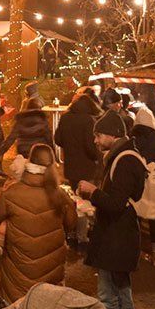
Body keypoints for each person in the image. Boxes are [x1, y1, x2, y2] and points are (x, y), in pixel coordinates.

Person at [75, 110, 146, 309]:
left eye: (99, 134)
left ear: (113, 135)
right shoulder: (118, 157)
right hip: (113, 238)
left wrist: (93, 193)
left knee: (118, 296)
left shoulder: (125, 160)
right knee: (110, 294)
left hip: (119, 239)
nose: (95, 140)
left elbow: (116, 204)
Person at [0, 144, 73, 301]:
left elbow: (0, 214)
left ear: (29, 163)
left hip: (17, 271)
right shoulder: (60, 196)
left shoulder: (11, 193)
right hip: (51, 270)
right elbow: (71, 223)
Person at [55, 91, 102, 247]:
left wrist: (70, 146)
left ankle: (72, 231)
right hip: (87, 168)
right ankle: (83, 235)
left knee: (74, 201)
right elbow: (91, 147)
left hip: (71, 166)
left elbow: (58, 139)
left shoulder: (66, 117)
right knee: (86, 203)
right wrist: (97, 157)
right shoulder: (89, 120)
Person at [131, 106, 155, 266]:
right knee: (154, 218)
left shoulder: (133, 139)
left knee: (136, 216)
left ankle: (135, 252)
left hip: (138, 180)